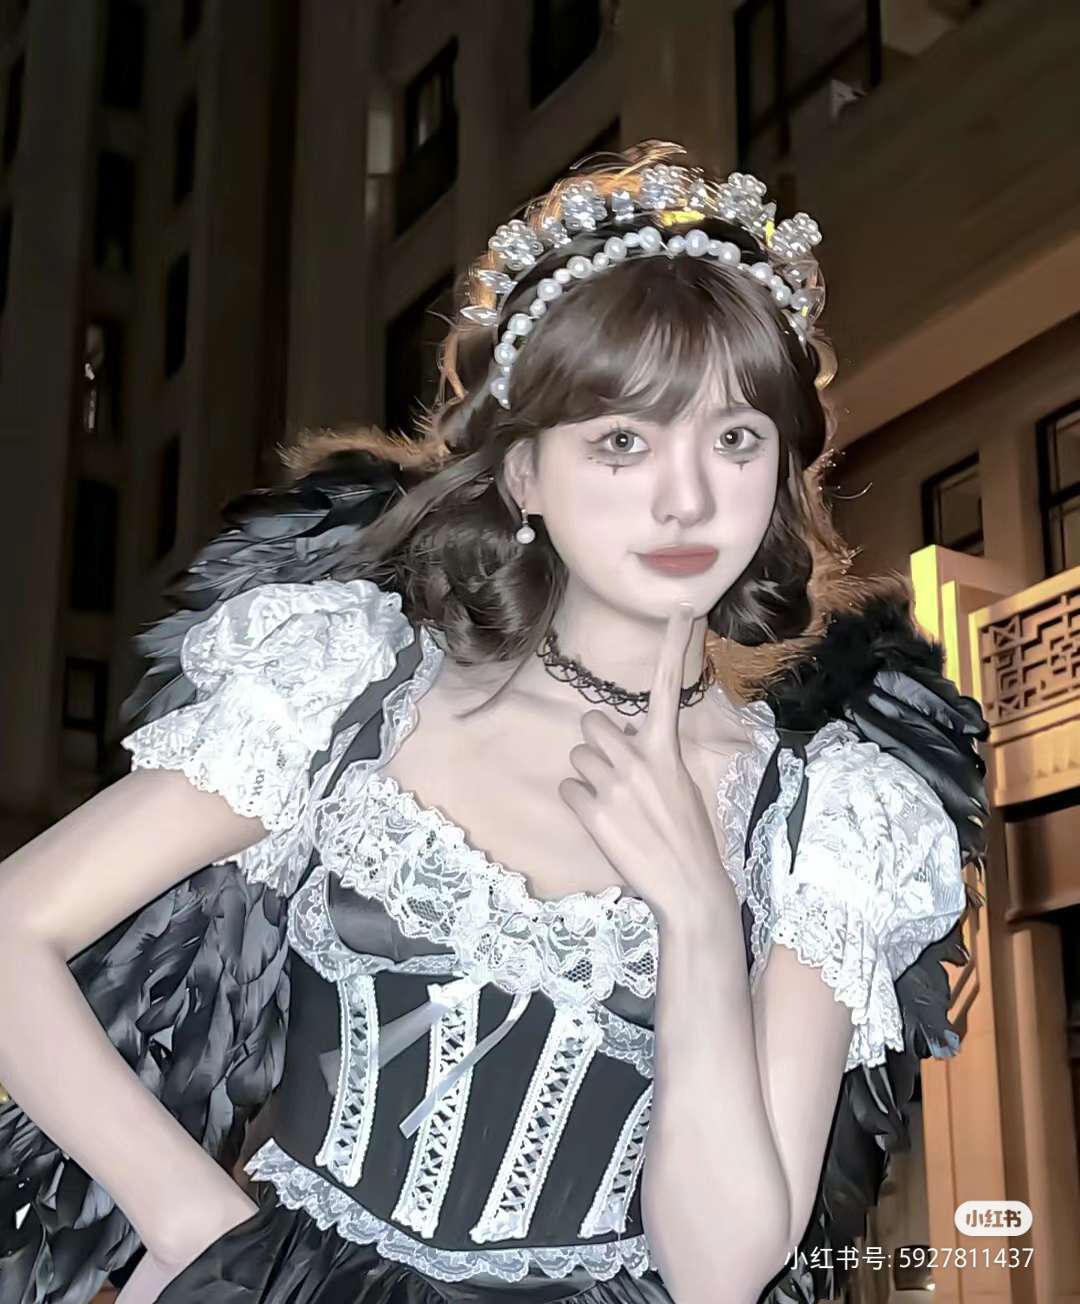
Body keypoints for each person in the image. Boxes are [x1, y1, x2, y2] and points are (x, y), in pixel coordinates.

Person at [0, 142, 990, 1304]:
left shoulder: (826, 821)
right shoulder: (355, 692)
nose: (687, 498)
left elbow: (722, 1270)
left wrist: (697, 918)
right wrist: (194, 1214)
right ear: (524, 475)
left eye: (734, 438)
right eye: (622, 440)